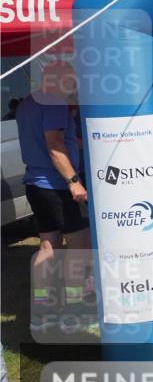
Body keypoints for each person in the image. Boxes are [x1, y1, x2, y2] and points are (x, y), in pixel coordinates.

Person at [16, 60, 93, 334]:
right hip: (58, 185)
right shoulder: (55, 103)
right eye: (70, 78)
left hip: (35, 182)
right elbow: (54, 143)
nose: (73, 84)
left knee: (48, 246)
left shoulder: (27, 103)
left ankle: (44, 312)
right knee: (80, 247)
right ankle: (74, 311)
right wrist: (73, 180)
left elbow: (52, 138)